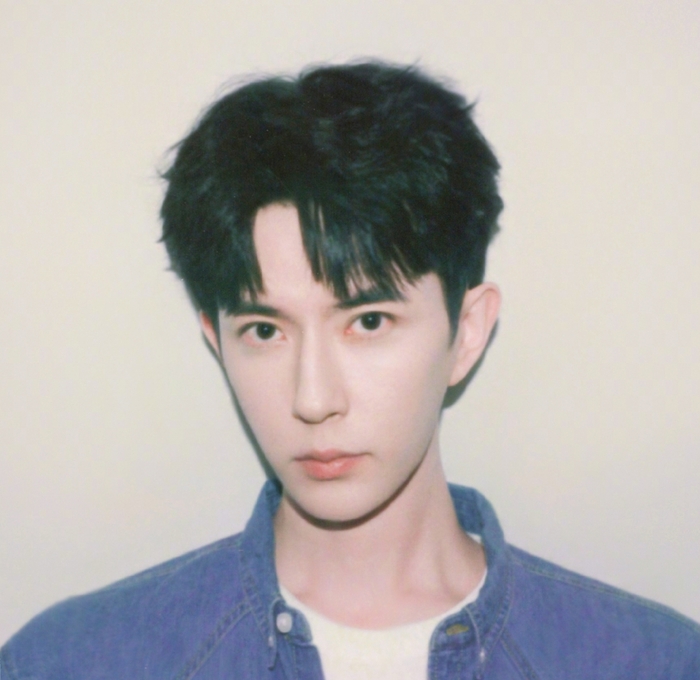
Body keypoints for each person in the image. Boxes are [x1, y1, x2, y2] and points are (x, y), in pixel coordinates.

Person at [1, 61, 698, 680]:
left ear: (466, 332)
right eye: (265, 331)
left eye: (368, 322)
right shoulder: (66, 663)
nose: (314, 399)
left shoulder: (657, 664)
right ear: (217, 342)